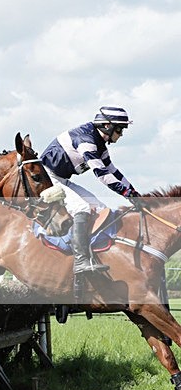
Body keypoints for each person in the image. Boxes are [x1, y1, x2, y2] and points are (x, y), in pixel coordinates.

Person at [40, 106, 140, 274]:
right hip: (47, 178)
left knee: (100, 208)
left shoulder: (99, 143)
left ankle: (95, 255)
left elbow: (113, 172)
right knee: (82, 208)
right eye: (120, 129)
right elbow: (102, 175)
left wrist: (134, 192)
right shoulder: (86, 140)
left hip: (61, 179)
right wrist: (126, 193)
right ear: (107, 126)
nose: (121, 134)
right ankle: (80, 261)